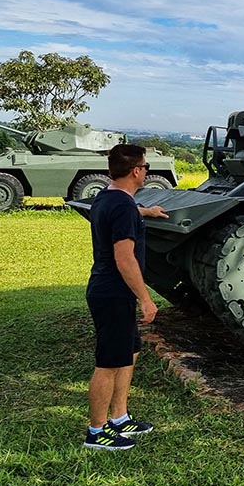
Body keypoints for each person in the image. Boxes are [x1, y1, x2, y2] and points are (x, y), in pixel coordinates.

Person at [82, 144, 168, 450]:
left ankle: (119, 418)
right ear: (136, 171)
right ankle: (96, 431)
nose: (146, 171)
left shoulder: (108, 198)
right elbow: (124, 258)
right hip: (113, 292)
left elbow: (124, 212)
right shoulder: (122, 207)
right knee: (109, 362)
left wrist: (147, 212)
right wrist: (145, 298)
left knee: (128, 352)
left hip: (108, 290)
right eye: (145, 167)